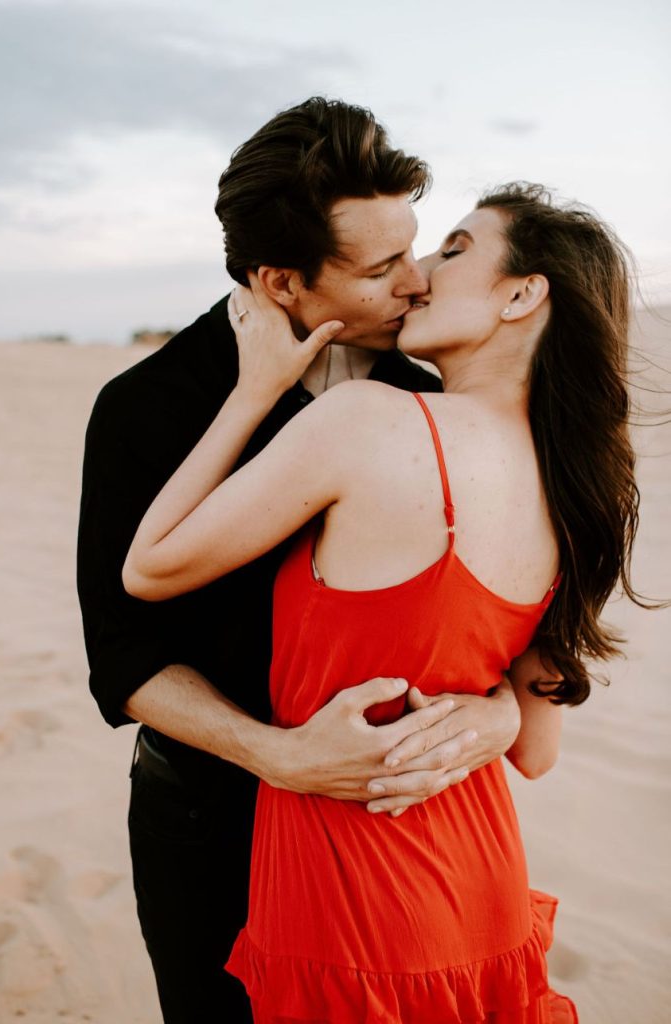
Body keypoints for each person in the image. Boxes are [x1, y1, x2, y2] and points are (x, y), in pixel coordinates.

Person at [123, 181, 640, 1023]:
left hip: (355, 896)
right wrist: (496, 713)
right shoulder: (573, 484)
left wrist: (254, 391)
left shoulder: (366, 419)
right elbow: (535, 750)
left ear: (520, 296)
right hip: (478, 883)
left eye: (454, 249)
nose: (421, 272)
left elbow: (149, 568)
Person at [76, 98, 521, 1024]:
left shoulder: (427, 393)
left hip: (386, 833)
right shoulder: (147, 406)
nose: (415, 285)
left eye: (415, 251)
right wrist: (276, 757)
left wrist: (500, 712)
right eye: (380, 268)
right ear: (280, 281)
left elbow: (496, 603)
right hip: (209, 822)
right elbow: (122, 651)